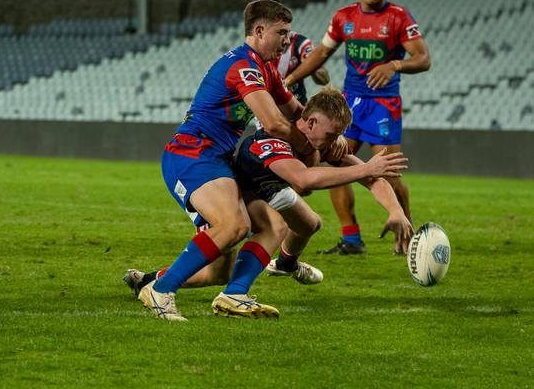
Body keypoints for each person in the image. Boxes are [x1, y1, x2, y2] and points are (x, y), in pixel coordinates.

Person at [125, 87, 412, 312]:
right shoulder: (272, 141)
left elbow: (372, 178)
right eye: (332, 134)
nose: (337, 141)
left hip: (269, 191)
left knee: (309, 224)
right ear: (311, 122)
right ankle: (172, 285)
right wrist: (365, 167)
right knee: (231, 263)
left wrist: (395, 211)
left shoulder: (318, 140)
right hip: (237, 195)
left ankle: (283, 265)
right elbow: (303, 180)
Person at [137, 0, 322, 321]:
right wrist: (307, 147)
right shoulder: (243, 65)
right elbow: (276, 124)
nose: (287, 41)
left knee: (270, 227)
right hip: (191, 154)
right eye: (282, 33)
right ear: (259, 30)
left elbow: (298, 114)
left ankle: (232, 294)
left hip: (218, 161)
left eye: (289, 33)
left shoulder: (268, 71)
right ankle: (161, 289)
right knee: (234, 225)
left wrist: (326, 135)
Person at [283, 0, 431, 255]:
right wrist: (290, 79)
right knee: (339, 164)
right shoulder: (343, 17)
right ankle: (351, 239)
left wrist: (395, 65)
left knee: (388, 173)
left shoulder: (400, 18)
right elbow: (321, 53)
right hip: (350, 103)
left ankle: (407, 230)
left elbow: (423, 59)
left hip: (383, 104)